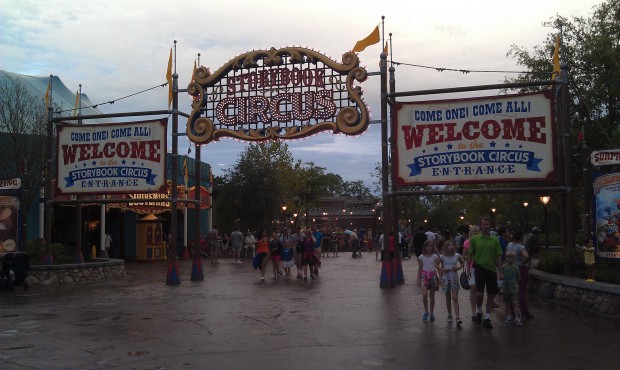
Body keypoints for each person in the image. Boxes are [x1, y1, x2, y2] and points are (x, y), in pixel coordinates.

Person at [468, 217, 503, 329]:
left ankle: (487, 318)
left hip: (492, 269)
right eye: (484, 224)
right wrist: (468, 269)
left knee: (492, 294)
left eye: (488, 224)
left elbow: (498, 255)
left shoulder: (495, 240)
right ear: (480, 226)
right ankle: (479, 311)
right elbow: (470, 254)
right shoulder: (475, 239)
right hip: (479, 268)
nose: (486, 226)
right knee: (479, 294)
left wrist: (501, 270)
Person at [437, 240, 465, 326]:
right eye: (449, 245)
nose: (450, 246)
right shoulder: (442, 256)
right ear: (446, 247)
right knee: (448, 297)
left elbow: (462, 263)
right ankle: (449, 315)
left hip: (454, 279)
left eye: (452, 245)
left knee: (455, 297)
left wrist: (458, 268)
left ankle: (457, 317)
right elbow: (436, 264)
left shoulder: (457, 255)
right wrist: (442, 270)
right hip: (446, 279)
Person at [506, 230, 533, 319]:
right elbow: (526, 255)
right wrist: (526, 260)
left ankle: (512, 311)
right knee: (522, 291)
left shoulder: (509, 245)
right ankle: (524, 312)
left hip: (510, 268)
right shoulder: (520, 246)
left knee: (512, 291)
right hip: (520, 269)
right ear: (521, 237)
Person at [418, 240, 439, 322]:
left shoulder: (435, 257)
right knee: (424, 294)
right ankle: (426, 311)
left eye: (431, 246)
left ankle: (431, 313)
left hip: (433, 275)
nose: (429, 248)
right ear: (425, 247)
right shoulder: (421, 257)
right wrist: (418, 278)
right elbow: (419, 268)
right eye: (428, 246)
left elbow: (438, 267)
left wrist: (439, 277)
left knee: (432, 296)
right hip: (424, 275)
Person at [463, 225, 480, 321]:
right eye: (475, 231)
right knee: (473, 288)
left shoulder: (482, 241)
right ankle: (473, 311)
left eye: (478, 231)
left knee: (479, 291)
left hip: (481, 268)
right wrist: (470, 257)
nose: (477, 232)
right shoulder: (467, 243)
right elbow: (463, 255)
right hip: (472, 268)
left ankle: (479, 309)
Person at [502, 250, 523, 326]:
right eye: (509, 258)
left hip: (514, 288)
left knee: (515, 303)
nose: (511, 259)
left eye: (513, 258)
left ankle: (517, 317)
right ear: (506, 258)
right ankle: (508, 316)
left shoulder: (516, 268)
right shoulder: (503, 267)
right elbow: (500, 276)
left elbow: (518, 278)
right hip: (506, 289)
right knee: (507, 303)